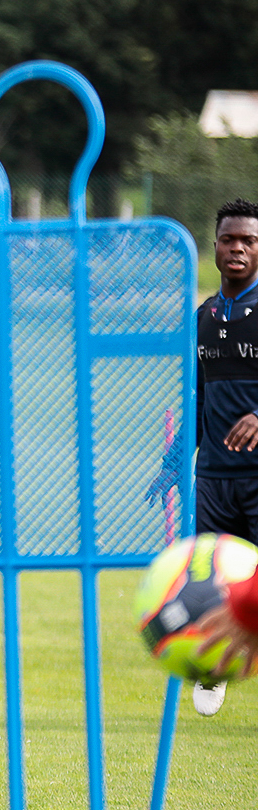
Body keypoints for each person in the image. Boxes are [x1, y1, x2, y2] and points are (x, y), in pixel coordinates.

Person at [149, 199, 258, 716]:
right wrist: (174, 463)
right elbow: (195, 399)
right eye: (228, 240)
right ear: (214, 247)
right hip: (212, 478)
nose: (237, 248)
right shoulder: (204, 317)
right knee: (210, 581)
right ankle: (212, 669)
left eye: (248, 241)